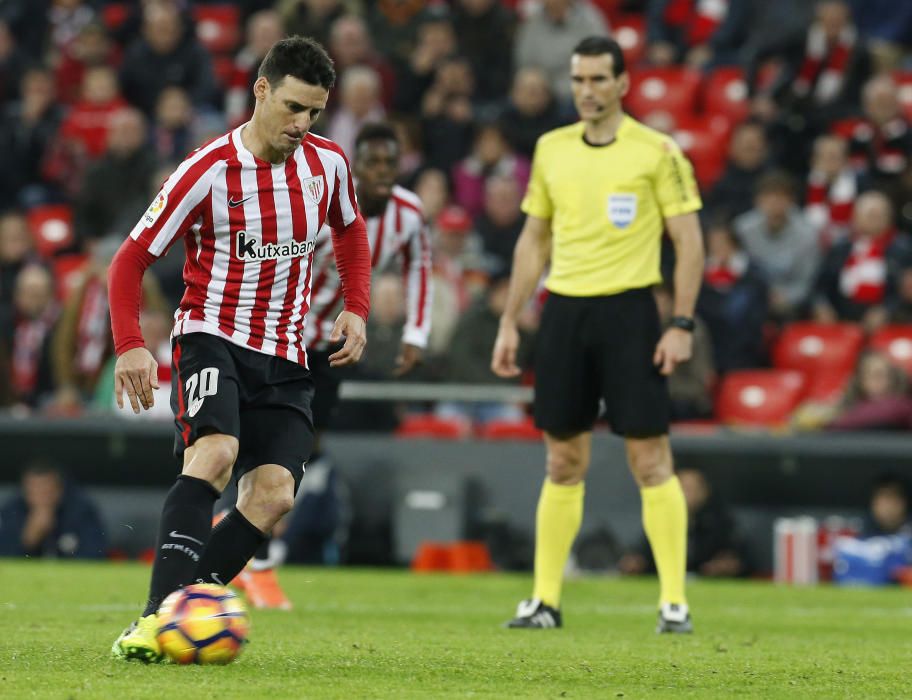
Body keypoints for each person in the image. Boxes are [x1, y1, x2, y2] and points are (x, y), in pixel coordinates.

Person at [107, 36, 372, 662]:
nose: (301, 124)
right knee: (217, 452)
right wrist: (130, 346)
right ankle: (155, 619)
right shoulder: (207, 170)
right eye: (291, 107)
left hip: (284, 353)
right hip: (211, 335)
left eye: (313, 112)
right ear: (260, 90)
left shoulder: (327, 164)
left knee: (275, 493)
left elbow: (352, 230)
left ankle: (191, 609)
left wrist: (357, 308)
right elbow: (130, 258)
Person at [491, 36, 705, 633]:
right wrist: (510, 319)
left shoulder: (656, 151)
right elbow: (534, 239)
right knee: (562, 460)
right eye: (579, 80)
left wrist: (681, 322)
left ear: (623, 84)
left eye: (598, 80)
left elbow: (688, 240)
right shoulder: (551, 149)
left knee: (649, 457)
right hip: (564, 312)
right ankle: (544, 601)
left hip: (630, 313)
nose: (586, 91)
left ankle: (673, 603)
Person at [241, 121, 432, 606]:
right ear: (356, 166)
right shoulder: (321, 204)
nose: (383, 173)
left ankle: (250, 543)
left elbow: (419, 265)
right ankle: (247, 548)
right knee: (259, 438)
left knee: (302, 445)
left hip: (327, 345)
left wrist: (415, 332)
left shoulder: (408, 213)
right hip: (280, 333)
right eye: (372, 163)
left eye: (391, 163)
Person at [619, 468, 749, 578]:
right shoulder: (661, 521)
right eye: (681, 488)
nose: (686, 494)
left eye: (691, 489)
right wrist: (636, 564)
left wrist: (726, 566)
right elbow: (642, 558)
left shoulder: (720, 523)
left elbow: (741, 562)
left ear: (705, 493)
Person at [0, 460, 107, 559]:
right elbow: (5, 559)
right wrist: (28, 539)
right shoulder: (12, 512)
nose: (41, 498)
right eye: (35, 492)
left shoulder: (80, 511)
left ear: (59, 490)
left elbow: (95, 555)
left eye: (47, 491)